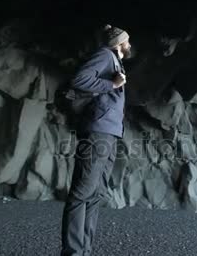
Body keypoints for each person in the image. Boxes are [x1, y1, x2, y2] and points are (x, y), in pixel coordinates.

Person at [60, 24, 131, 256]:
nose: (130, 45)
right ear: (119, 43)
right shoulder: (105, 55)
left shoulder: (115, 61)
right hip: (97, 131)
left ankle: (85, 250)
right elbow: (80, 79)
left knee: (95, 195)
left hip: (108, 132)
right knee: (82, 193)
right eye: (127, 41)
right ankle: (73, 252)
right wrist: (112, 84)